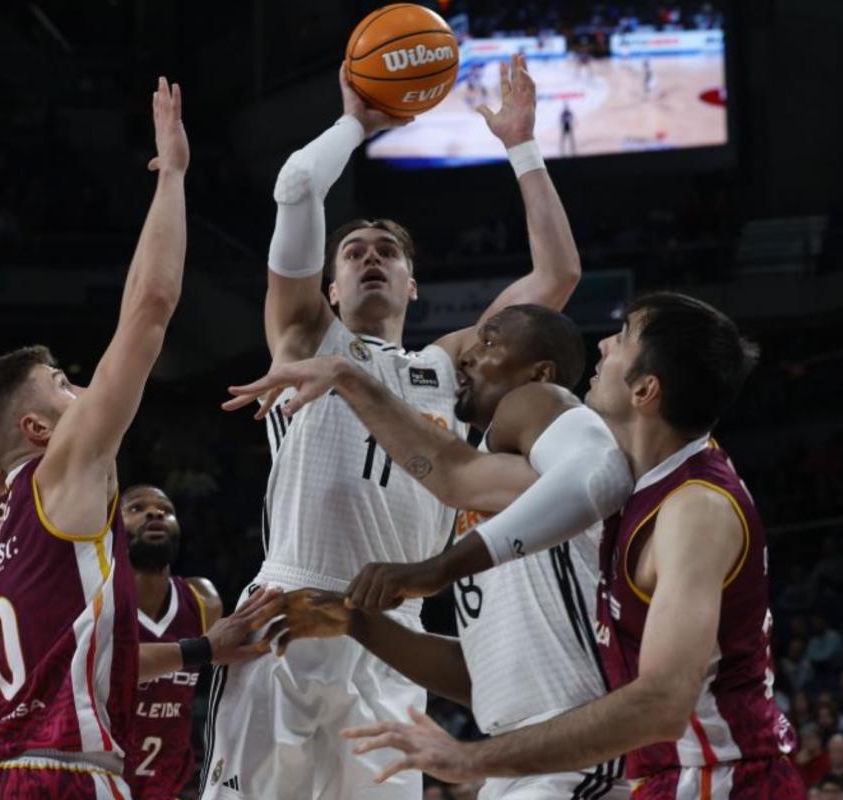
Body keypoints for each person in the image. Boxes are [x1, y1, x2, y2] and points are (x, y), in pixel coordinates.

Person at [201, 52, 584, 800]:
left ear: (413, 284)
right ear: (331, 287)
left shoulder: (451, 368)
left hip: (395, 629)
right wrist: (354, 122)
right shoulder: (306, 339)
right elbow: (297, 186)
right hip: (288, 612)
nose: (370, 258)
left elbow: (558, 277)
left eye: (388, 252)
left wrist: (522, 145)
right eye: (353, 253)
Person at [246, 293, 801, 797]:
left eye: (623, 336)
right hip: (641, 775)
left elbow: (660, 704)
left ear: (645, 390)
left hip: (708, 778)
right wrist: (351, 378)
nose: (602, 342)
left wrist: (467, 757)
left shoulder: (687, 505)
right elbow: (453, 472)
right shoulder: (635, 487)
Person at [0, 79, 280, 799]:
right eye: (63, 383)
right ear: (37, 430)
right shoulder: (58, 470)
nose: (82, 390)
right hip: (60, 773)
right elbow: (151, 309)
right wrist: (176, 178)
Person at [231, 305, 631, 798]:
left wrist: (436, 569)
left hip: (581, 758)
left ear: (539, 372)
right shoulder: (498, 480)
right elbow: (485, 679)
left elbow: (597, 475)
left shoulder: (538, 401)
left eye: (488, 344)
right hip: (531, 756)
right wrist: (354, 621)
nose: (466, 359)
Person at [121, 484, 223, 799]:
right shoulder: (94, 597)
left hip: (168, 787)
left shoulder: (202, 600)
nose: (155, 513)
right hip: (96, 781)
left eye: (166, 511)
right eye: (137, 508)